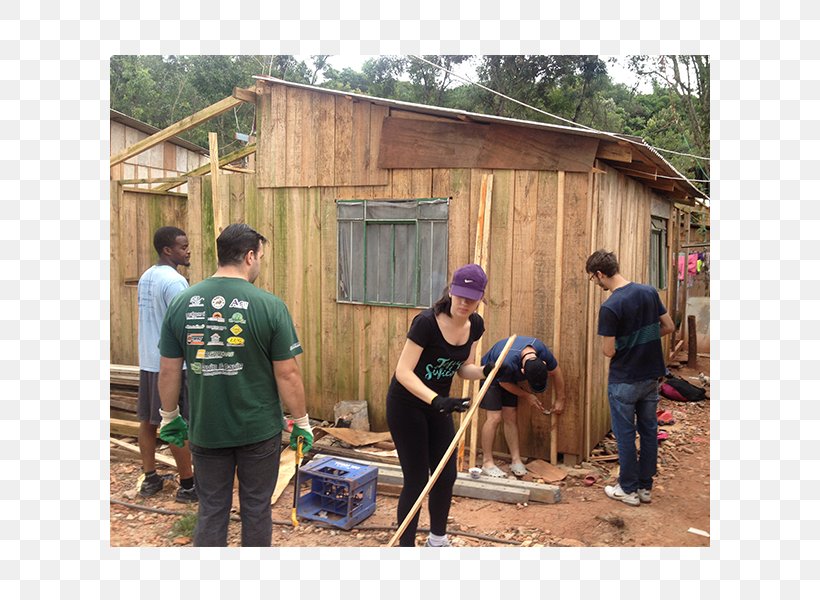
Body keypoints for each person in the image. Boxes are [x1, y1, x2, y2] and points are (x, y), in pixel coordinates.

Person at [157, 223, 314, 546]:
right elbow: (288, 374)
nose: (260, 263)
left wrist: (170, 416)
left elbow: (169, 371)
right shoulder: (270, 306)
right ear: (250, 256)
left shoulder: (182, 303)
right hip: (257, 430)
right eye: (260, 257)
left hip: (206, 429)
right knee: (256, 508)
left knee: (212, 508)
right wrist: (301, 422)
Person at [386, 263, 493, 547]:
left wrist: (489, 370)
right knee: (417, 478)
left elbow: (464, 369)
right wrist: (437, 399)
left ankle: (437, 540)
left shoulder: (475, 325)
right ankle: (406, 547)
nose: (465, 302)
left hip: (439, 407)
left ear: (481, 296)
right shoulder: (426, 323)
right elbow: (403, 372)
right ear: (451, 291)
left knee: (446, 474)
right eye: (460, 295)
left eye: (471, 297)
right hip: (406, 405)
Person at [586, 249, 675, 506]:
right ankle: (645, 487)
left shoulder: (611, 306)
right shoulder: (648, 292)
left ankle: (627, 489)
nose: (596, 283)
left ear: (600, 274)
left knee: (625, 434)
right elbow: (668, 326)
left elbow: (608, 350)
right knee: (649, 431)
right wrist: (644, 337)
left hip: (624, 380)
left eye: (594, 279)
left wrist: (629, 341)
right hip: (650, 377)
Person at [136, 226, 196, 503]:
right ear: (167, 250)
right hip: (172, 366)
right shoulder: (175, 283)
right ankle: (187, 485)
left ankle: (150, 478)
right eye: (183, 247)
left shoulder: (148, 276)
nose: (188, 251)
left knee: (148, 421)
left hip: (148, 361)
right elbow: (185, 326)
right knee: (175, 422)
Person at [479, 336, 566, 478]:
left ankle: (516, 460)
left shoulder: (542, 350)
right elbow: (504, 383)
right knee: (494, 418)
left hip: (509, 376)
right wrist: (527, 395)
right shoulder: (508, 361)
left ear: (543, 363)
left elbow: (556, 372)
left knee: (510, 415)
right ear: (523, 371)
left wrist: (561, 399)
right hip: (491, 374)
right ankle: (487, 462)